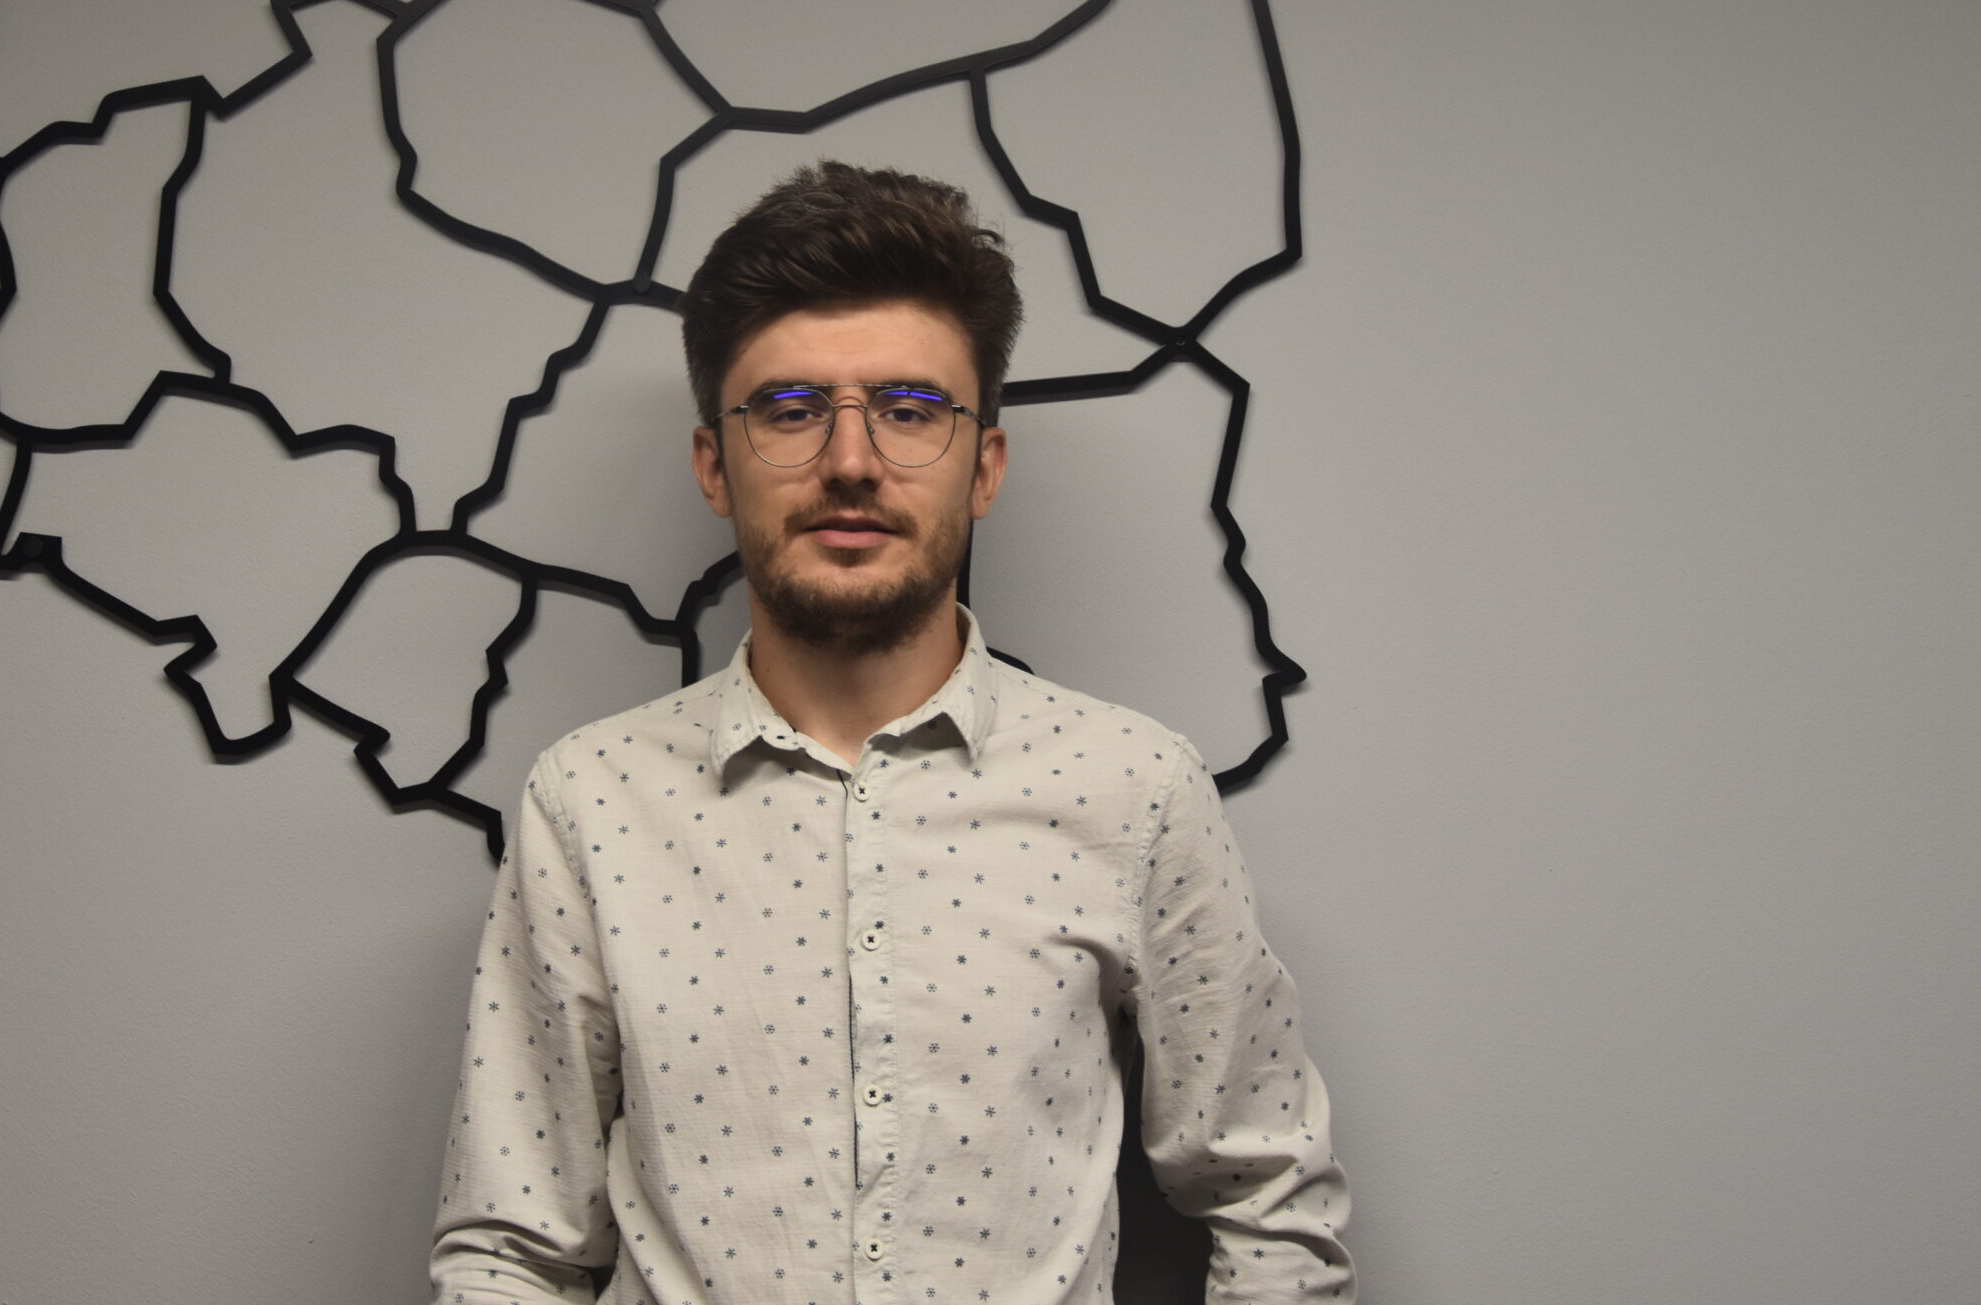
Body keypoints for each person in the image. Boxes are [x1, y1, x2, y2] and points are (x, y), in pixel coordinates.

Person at [430, 162, 1353, 1304]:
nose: (852, 461)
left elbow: (1272, 1200)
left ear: (985, 466)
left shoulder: (1135, 787)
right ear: (714, 465)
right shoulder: (590, 799)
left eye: (911, 410)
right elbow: (510, 1250)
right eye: (790, 410)